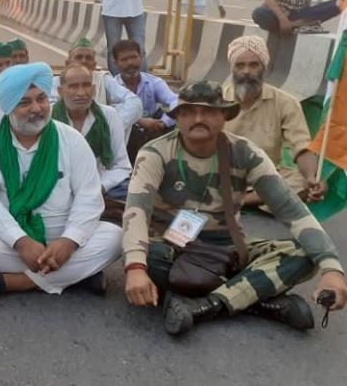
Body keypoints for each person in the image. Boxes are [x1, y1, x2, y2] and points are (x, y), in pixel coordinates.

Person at [122, 81, 347, 334]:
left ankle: (205, 305)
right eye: (188, 112)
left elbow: (292, 210)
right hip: (170, 245)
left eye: (208, 111)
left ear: (224, 116)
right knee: (149, 259)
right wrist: (135, 267)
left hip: (226, 248)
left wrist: (332, 268)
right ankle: (256, 300)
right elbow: (136, 212)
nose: (198, 118)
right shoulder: (155, 152)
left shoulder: (245, 153)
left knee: (306, 255)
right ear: (179, 118)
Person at [0, 63, 122, 298]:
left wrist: (70, 241)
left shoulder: (71, 139)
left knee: (115, 238)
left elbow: (89, 196)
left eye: (41, 99)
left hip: (65, 232)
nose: (37, 108)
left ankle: (15, 282)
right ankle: (78, 275)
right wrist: (21, 241)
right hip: (13, 239)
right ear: (7, 106)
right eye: (25, 102)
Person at [220, 35, 325, 205]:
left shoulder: (286, 103)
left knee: (301, 183)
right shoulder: (216, 98)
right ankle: (256, 199)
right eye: (240, 65)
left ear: (264, 68)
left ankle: (239, 201)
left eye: (254, 65)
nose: (247, 71)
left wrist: (311, 178)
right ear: (232, 69)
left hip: (263, 176)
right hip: (221, 174)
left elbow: (301, 146)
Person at [52, 64, 131, 200]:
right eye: (73, 86)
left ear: (94, 90)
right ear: (60, 91)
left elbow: (121, 166)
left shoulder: (109, 115)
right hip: (56, 188)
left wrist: (99, 187)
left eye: (86, 85)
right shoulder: (47, 118)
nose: (81, 93)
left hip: (98, 188)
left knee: (133, 190)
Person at [52, 38, 142, 138]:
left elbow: (134, 102)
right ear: (68, 63)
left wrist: (109, 126)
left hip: (100, 137)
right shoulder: (56, 82)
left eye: (88, 58)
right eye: (79, 57)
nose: (83, 61)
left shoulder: (103, 79)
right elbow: (50, 110)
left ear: (94, 64)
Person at [110, 39, 178, 159]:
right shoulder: (111, 87)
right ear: (116, 63)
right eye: (124, 59)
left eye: (134, 57)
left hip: (153, 130)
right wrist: (139, 121)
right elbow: (112, 114)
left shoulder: (154, 82)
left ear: (141, 57)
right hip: (126, 138)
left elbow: (173, 101)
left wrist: (163, 122)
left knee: (176, 119)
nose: (130, 63)